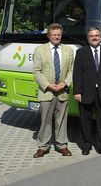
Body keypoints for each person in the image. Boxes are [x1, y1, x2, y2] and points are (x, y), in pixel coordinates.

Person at [73, 27, 101, 155]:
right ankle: (86, 146)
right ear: (88, 38)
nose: (94, 38)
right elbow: (77, 74)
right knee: (85, 122)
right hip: (86, 93)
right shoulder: (81, 53)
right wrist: (77, 92)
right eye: (91, 36)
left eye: (96, 35)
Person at [32, 23, 74, 158]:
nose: (56, 37)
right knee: (45, 120)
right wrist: (48, 85)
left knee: (62, 120)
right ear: (49, 36)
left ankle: (62, 145)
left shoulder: (68, 50)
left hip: (63, 91)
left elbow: (72, 71)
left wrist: (65, 83)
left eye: (59, 35)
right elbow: (36, 72)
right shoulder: (40, 50)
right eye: (54, 34)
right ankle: (43, 147)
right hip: (47, 91)